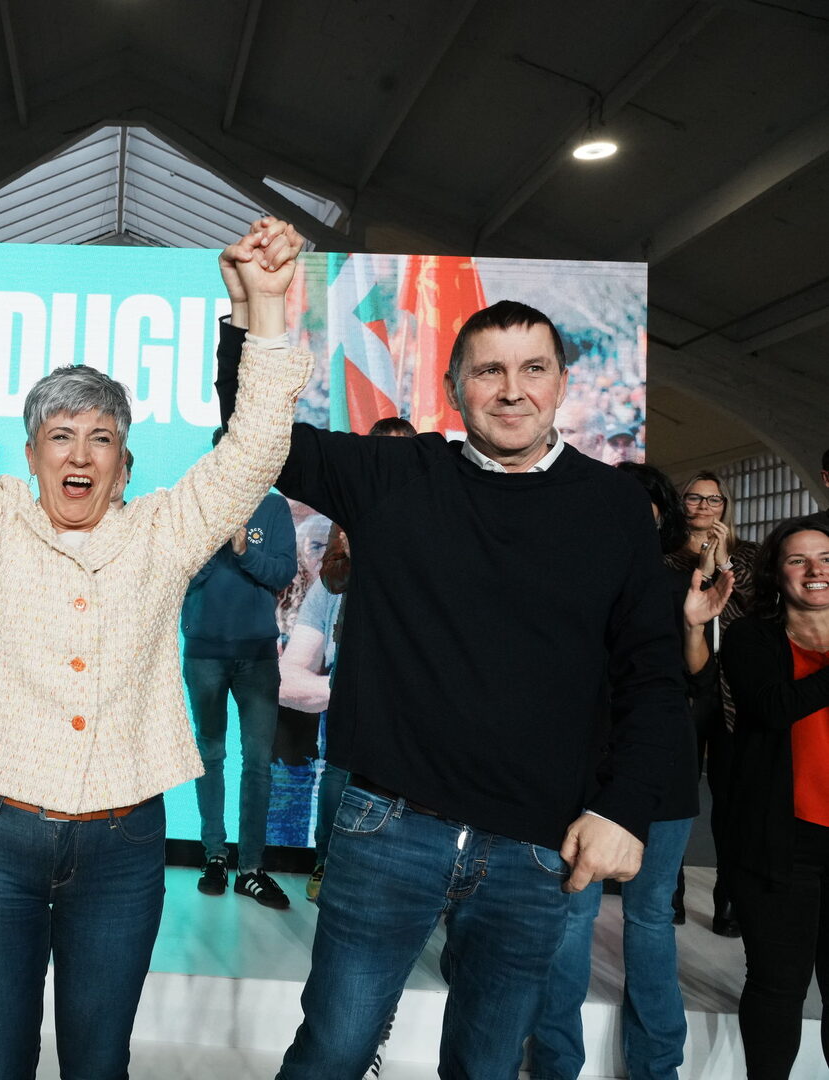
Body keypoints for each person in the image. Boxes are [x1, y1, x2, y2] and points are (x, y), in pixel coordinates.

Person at [214, 219, 686, 1079]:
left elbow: (652, 675)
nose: (511, 390)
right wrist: (253, 313)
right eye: (488, 370)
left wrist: (624, 810)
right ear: (453, 386)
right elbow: (261, 444)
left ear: (561, 382)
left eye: (532, 369)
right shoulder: (398, 476)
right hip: (386, 826)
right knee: (333, 1051)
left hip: (536, 846)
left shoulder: (613, 507)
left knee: (486, 1065)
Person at [0, 220, 312, 1077]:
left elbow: (255, 450)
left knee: (98, 1063)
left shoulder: (164, 531)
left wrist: (267, 312)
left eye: (100, 438)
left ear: (124, 462)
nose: (79, 454)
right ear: (31, 455)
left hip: (123, 849)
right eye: (60, 435)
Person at [528, 462, 732, 1080]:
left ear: (661, 521)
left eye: (642, 513)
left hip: (661, 772)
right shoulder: (562, 579)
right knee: (573, 916)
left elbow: (699, 681)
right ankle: (556, 1063)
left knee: (649, 920)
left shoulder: (681, 587)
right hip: (583, 770)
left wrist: (694, 626)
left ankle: (656, 1067)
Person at [722, 517, 829, 1079]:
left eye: (826, 559)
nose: (815, 570)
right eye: (797, 560)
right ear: (776, 573)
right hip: (780, 839)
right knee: (777, 984)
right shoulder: (752, 637)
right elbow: (772, 708)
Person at [303, 416, 416, 907]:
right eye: (382, 450)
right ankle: (326, 863)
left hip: (414, 653)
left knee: (402, 763)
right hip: (358, 645)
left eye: (401, 450)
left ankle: (395, 871)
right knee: (339, 763)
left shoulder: (434, 507)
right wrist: (350, 553)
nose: (391, 460)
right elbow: (333, 581)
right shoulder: (349, 507)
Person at [183, 426, 297, 908]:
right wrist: (216, 538)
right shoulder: (195, 503)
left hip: (257, 655)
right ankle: (213, 854)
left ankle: (251, 867)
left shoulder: (273, 508)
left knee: (258, 764)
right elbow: (182, 574)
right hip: (205, 651)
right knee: (209, 755)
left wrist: (244, 550)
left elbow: (283, 573)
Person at [669, 470, 758, 938]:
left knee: (732, 798)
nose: (704, 507)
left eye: (714, 499)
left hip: (734, 690)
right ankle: (670, 894)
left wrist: (723, 561)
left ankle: (729, 902)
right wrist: (700, 566)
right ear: (680, 503)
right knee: (675, 793)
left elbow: (754, 605)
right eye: (694, 498)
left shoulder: (748, 555)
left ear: (726, 506)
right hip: (683, 683)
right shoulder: (666, 555)